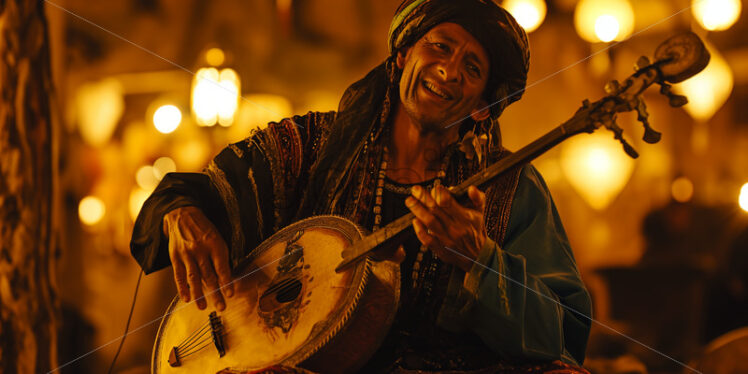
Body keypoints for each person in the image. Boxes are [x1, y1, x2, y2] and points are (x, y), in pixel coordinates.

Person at [131, 0, 592, 372]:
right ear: (402, 56)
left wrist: (482, 260)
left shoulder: (509, 188)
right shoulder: (307, 147)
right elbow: (192, 193)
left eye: (473, 69)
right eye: (439, 47)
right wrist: (180, 215)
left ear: (482, 106)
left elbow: (563, 333)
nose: (450, 71)